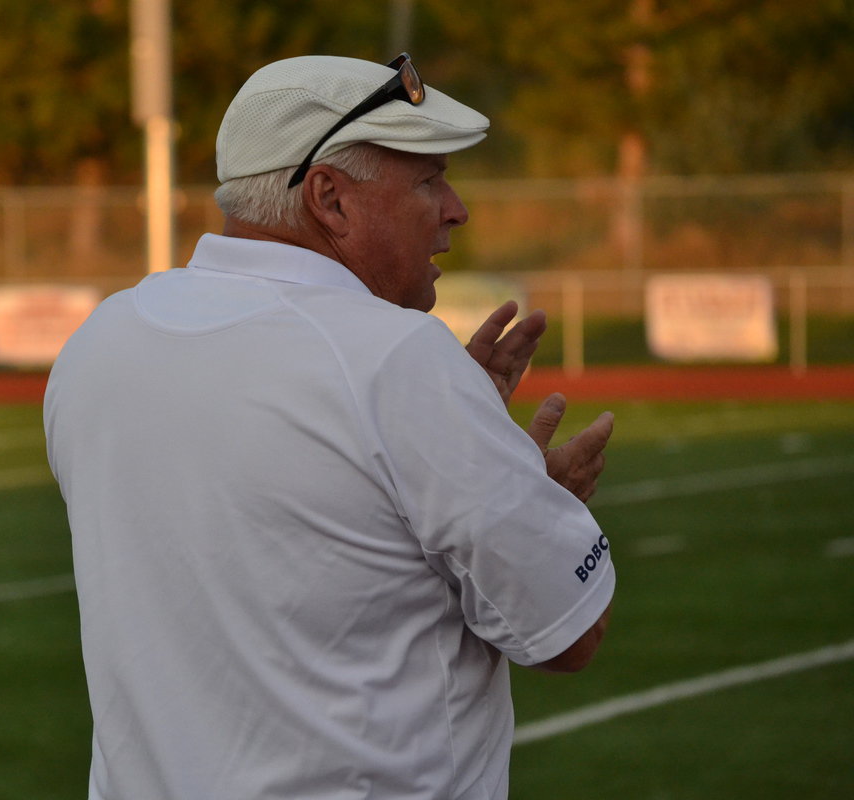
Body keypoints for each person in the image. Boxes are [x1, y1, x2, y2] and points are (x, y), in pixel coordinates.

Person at [44, 54, 616, 800]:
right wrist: (543, 496)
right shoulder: (396, 359)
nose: (455, 208)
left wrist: (457, 432)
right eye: (427, 180)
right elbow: (569, 636)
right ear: (329, 199)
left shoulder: (100, 341)